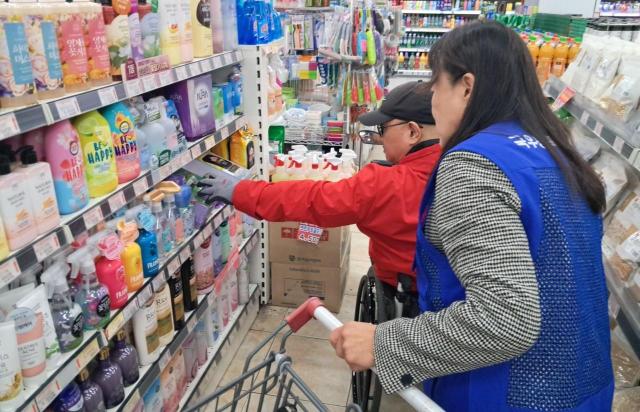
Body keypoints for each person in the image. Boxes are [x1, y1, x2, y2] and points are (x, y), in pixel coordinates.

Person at [329, 20, 614, 412]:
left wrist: (384, 343)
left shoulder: (475, 165)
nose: (432, 103)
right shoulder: (554, 151)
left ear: (467, 86)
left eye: (435, 87)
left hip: (508, 393)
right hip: (581, 384)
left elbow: (506, 318)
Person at [207, 81, 441, 317]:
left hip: (405, 292)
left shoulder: (388, 183)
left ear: (413, 132)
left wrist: (242, 192)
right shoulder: (460, 167)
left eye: (383, 129)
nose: (379, 138)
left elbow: (314, 200)